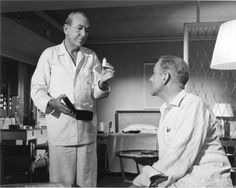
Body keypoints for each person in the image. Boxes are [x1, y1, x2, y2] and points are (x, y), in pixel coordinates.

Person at [31, 11, 114, 187]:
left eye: (87, 30)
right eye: (80, 28)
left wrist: (103, 83)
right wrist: (50, 102)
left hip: (86, 130)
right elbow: (37, 89)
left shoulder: (91, 57)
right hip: (61, 130)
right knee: (61, 184)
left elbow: (96, 93)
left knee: (88, 182)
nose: (84, 34)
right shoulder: (50, 55)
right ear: (66, 29)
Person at [132, 55, 232, 187]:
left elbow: (176, 159)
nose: (150, 79)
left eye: (154, 74)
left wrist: (140, 183)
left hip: (205, 181)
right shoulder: (166, 111)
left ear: (165, 77)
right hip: (184, 179)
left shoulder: (193, 104)